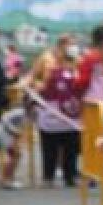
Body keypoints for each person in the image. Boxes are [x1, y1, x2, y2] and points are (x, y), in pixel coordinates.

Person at [36, 46, 83, 188]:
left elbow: (42, 91)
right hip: (67, 118)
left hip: (53, 118)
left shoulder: (52, 75)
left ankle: (50, 177)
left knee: (51, 149)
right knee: (69, 150)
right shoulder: (73, 76)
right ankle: (68, 176)